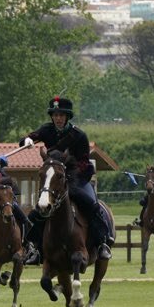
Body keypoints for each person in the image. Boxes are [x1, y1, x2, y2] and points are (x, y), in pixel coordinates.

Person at [18, 96, 113, 260]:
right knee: (39, 209)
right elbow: (29, 138)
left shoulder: (79, 135)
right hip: (55, 178)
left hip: (77, 177)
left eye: (61, 115)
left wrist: (70, 177)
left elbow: (84, 162)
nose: (58, 119)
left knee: (92, 204)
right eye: (55, 115)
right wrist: (27, 140)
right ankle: (34, 248)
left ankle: (102, 243)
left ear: (67, 117)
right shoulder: (46, 130)